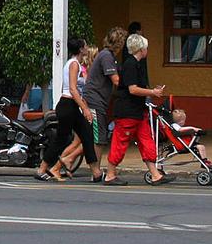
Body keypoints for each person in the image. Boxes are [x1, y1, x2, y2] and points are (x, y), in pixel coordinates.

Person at [104, 33, 173, 186]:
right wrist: (152, 93)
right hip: (127, 111)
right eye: (146, 47)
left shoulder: (137, 65)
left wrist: (150, 91)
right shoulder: (130, 65)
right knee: (120, 142)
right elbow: (133, 89)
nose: (147, 50)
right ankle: (109, 174)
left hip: (138, 111)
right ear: (141, 49)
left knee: (146, 140)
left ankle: (155, 175)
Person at [35, 39, 104, 183]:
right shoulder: (73, 64)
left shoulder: (74, 64)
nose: (87, 48)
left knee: (87, 135)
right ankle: (42, 169)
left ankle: (96, 172)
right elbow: (72, 89)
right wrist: (85, 109)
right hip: (68, 105)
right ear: (80, 49)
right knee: (62, 138)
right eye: (85, 46)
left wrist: (82, 103)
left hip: (70, 105)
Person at [81, 27, 125, 149]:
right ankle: (96, 168)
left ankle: (65, 160)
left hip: (96, 99)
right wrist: (131, 87)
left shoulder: (106, 55)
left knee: (82, 139)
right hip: (95, 100)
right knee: (99, 137)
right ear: (119, 43)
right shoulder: (107, 56)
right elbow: (116, 80)